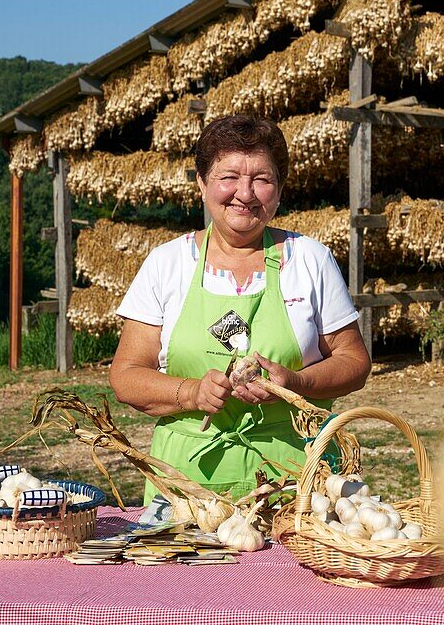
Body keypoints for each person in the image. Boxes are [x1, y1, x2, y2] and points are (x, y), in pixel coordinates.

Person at [110, 114, 371, 502]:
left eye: (262, 180)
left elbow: (354, 362)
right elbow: (126, 377)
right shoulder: (167, 264)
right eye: (228, 177)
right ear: (202, 183)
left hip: (296, 481)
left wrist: (295, 383)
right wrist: (193, 393)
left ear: (279, 190)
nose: (245, 194)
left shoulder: (310, 260)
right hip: (188, 481)